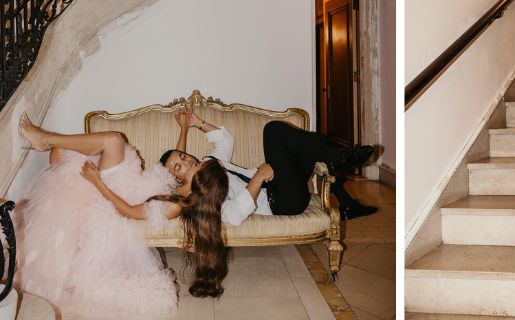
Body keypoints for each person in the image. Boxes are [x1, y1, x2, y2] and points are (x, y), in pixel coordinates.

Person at [15, 115, 179, 318]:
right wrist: (185, 129)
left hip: (117, 193)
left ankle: (45, 139)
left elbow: (126, 210)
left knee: (114, 141)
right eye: (182, 158)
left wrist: (96, 182)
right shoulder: (174, 175)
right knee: (63, 155)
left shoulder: (175, 202)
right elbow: (177, 160)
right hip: (129, 178)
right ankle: (48, 140)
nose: (184, 160)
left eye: (180, 166)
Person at [159, 109, 376, 224]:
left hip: (283, 182)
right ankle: (339, 159)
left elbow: (226, 141)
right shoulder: (202, 193)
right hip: (281, 201)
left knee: (309, 144)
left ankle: (346, 200)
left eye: (182, 155)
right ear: (178, 179)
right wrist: (258, 177)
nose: (186, 161)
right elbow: (234, 216)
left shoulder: (209, 161)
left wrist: (198, 123)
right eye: (178, 167)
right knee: (273, 131)